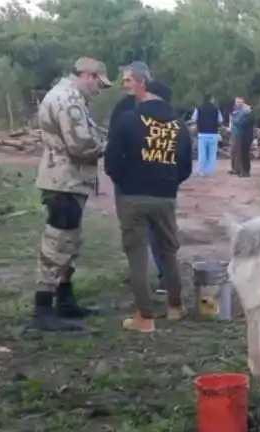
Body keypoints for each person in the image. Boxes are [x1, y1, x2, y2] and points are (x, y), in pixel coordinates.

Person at [104, 61, 192, 333]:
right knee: (169, 251)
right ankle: (175, 306)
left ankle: (145, 317)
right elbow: (185, 168)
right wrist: (166, 182)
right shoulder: (179, 127)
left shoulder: (128, 120)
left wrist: (125, 180)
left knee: (137, 254)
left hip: (133, 196)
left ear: (146, 92)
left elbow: (110, 163)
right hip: (165, 197)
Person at [30, 56, 110, 332]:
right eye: (99, 82)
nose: (100, 89)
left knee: (70, 241)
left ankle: (65, 299)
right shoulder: (68, 100)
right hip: (64, 180)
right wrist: (108, 146)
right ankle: (43, 307)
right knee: (58, 243)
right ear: (88, 75)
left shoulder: (67, 96)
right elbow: (80, 145)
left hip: (66, 179)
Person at [108, 62, 168, 293]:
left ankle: (164, 275)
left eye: (127, 80)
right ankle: (138, 275)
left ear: (142, 81)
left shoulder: (160, 105)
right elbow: (114, 145)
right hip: (128, 180)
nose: (124, 85)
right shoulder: (123, 107)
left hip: (154, 180)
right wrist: (117, 175)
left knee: (157, 230)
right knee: (132, 231)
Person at [192, 95, 223, 177]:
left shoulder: (198, 108)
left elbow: (194, 119)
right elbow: (220, 120)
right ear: (212, 99)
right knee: (212, 154)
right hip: (213, 133)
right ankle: (210, 171)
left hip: (202, 133)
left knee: (202, 154)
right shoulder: (216, 109)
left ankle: (201, 171)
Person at [231, 100, 255, 178]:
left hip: (246, 136)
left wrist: (237, 118)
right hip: (244, 136)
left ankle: (246, 171)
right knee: (243, 154)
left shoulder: (249, 117)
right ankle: (243, 170)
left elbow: (240, 123)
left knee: (245, 154)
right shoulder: (247, 116)